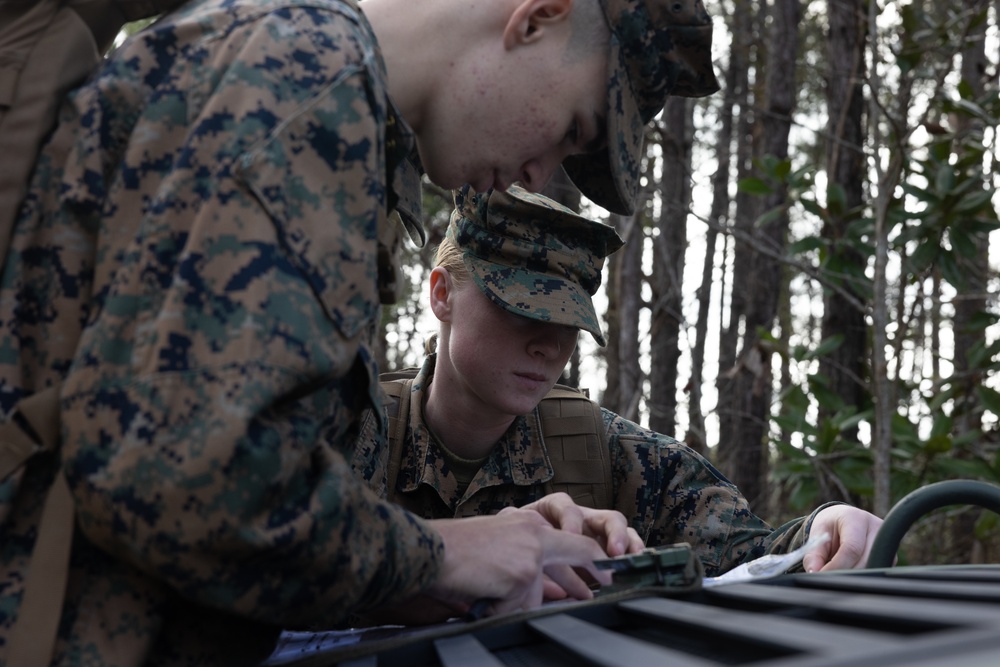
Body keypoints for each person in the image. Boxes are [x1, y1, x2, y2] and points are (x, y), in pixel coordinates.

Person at [0, 0, 720, 663]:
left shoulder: (295, 65)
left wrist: (474, 552)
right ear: (536, 18)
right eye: (571, 131)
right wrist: (443, 555)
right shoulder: (313, 88)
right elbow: (190, 485)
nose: (541, 169)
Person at [351, 184, 884, 585]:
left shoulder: (616, 458)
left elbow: (754, 559)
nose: (548, 346)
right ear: (442, 294)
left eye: (568, 322)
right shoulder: (344, 434)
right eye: (521, 310)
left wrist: (828, 528)